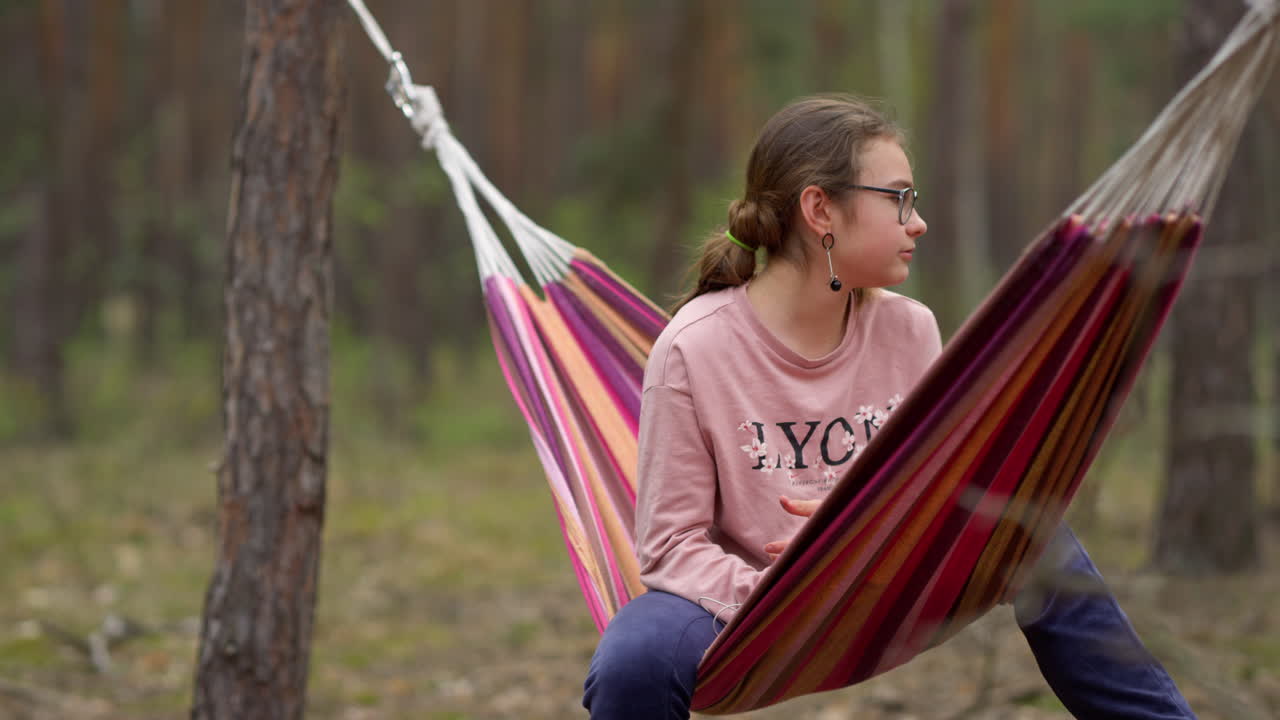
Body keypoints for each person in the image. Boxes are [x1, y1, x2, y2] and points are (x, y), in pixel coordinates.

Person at [582, 95, 1196, 719]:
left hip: (886, 578)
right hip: (747, 607)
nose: (917, 222)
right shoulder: (694, 348)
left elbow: (945, 487)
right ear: (820, 208)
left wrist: (858, 533)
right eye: (898, 198)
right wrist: (776, 593)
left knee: (1035, 533)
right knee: (636, 657)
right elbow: (670, 545)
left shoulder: (909, 330)